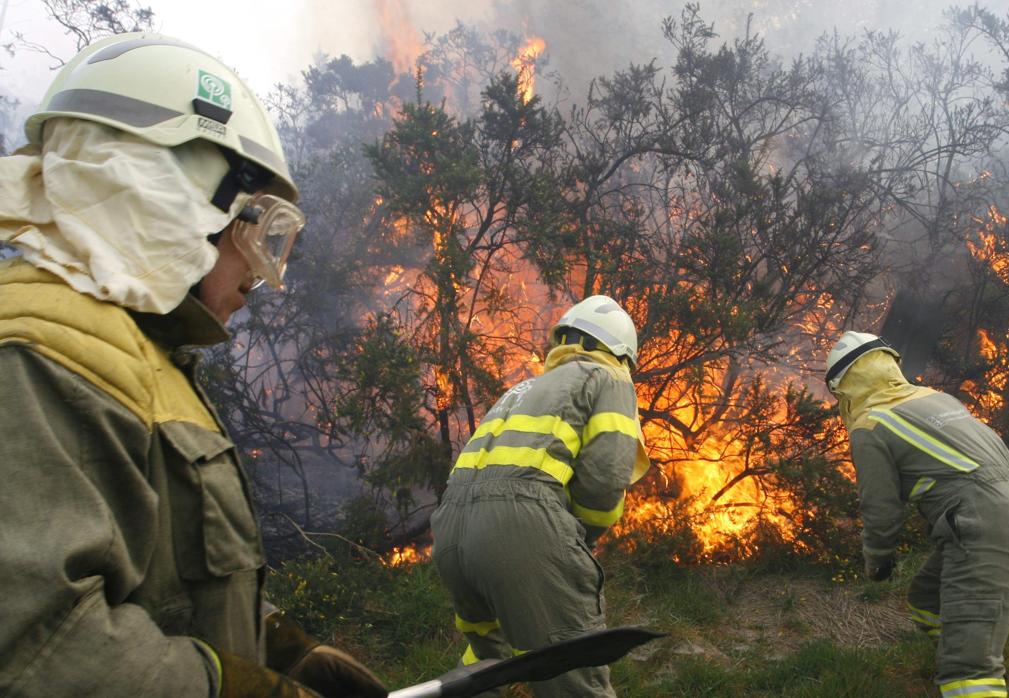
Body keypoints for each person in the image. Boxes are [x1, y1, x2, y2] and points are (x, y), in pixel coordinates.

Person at [0, 33, 385, 698]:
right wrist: (245, 690)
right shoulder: (39, 356)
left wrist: (278, 648)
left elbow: (160, 582)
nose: (262, 274)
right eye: (262, 232)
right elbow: (41, 650)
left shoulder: (135, 355)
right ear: (175, 198)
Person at [430, 295, 651, 697]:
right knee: (572, 672)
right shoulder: (609, 377)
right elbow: (604, 476)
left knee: (484, 670)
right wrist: (576, 542)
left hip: (450, 535)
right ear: (620, 353)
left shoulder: (518, 391)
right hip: (521, 529)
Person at [825, 331, 1009, 698]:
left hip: (983, 521)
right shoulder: (935, 398)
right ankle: (965, 643)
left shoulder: (870, 425)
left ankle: (969, 668)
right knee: (928, 601)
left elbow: (880, 509)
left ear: (844, 388)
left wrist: (877, 562)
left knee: (968, 670)